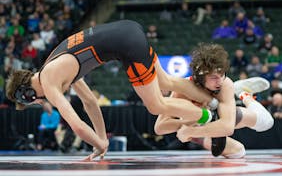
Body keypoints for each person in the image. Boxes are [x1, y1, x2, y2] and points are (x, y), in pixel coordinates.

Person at [5, 20, 218, 160]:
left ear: (27, 94)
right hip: (129, 30)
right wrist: (102, 141)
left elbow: (77, 126)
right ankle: (215, 99)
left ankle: (208, 116)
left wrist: (98, 144)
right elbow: (90, 102)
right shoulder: (55, 67)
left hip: (127, 45)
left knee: (156, 106)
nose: (36, 102)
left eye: (30, 101)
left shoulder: (50, 82)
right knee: (166, 82)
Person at [154, 43, 274, 158]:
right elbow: (160, 127)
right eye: (214, 77)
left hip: (228, 116)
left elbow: (227, 127)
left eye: (222, 75)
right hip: (205, 124)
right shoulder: (184, 88)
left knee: (267, 122)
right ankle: (205, 121)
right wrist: (189, 126)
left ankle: (245, 95)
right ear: (200, 77)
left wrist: (190, 131)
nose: (220, 81)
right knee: (238, 153)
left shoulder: (225, 84)